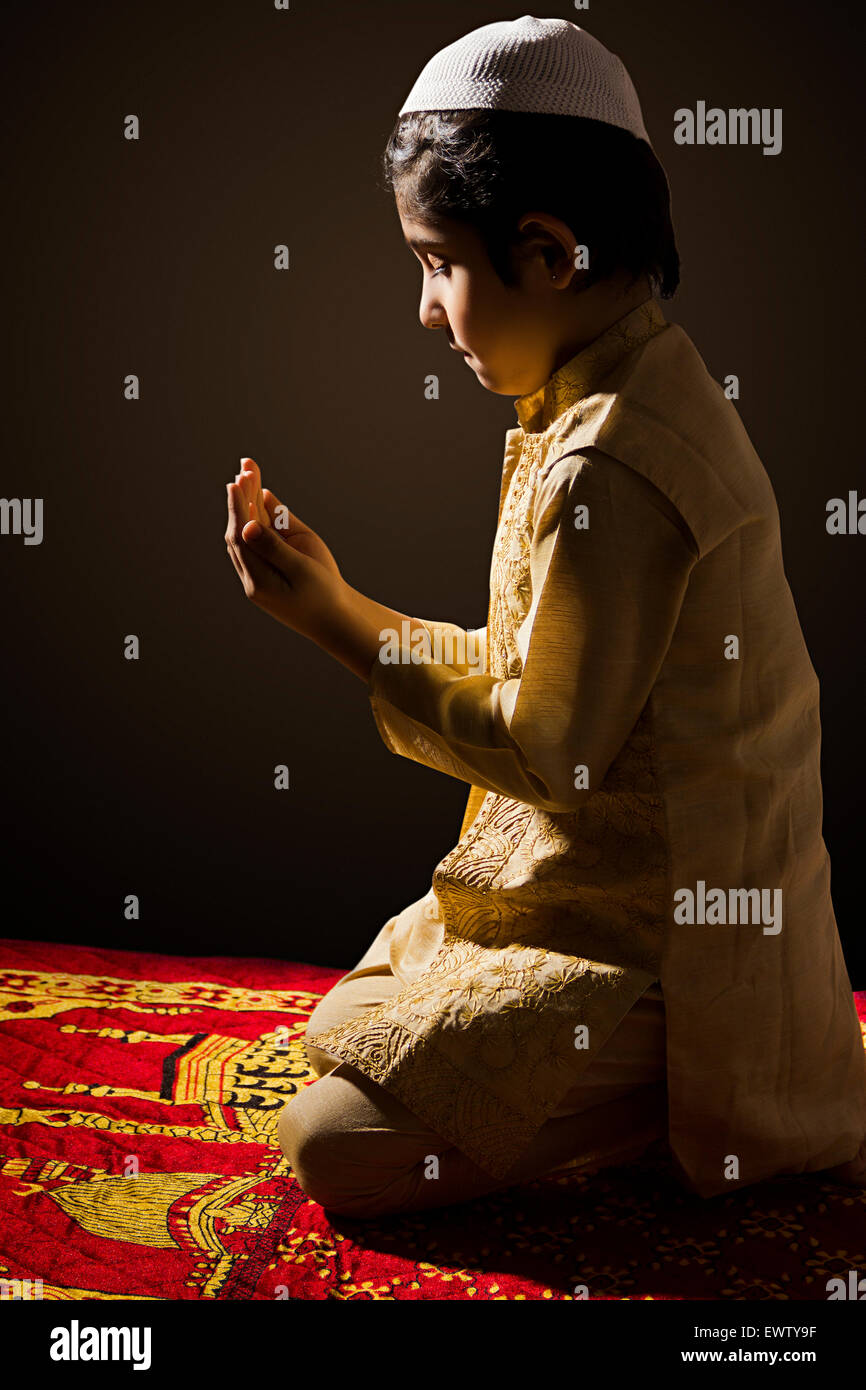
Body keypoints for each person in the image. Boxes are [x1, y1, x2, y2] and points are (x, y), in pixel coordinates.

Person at [224, 17, 866, 1218]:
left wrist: (336, 621)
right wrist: (341, 600)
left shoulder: (613, 457)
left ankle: (684, 1104)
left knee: (330, 1142)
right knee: (349, 1015)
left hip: (683, 959)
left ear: (547, 251)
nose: (425, 311)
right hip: (597, 895)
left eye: (434, 264)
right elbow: (539, 686)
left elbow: (548, 750)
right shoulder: (605, 394)